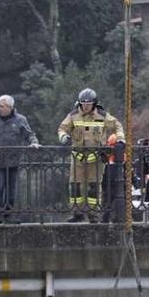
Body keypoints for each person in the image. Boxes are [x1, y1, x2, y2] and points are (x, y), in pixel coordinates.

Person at [57, 88, 125, 223]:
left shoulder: (102, 115)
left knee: (94, 188)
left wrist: (121, 139)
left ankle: (93, 215)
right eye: (83, 104)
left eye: (88, 104)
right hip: (78, 157)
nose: (85, 106)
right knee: (75, 186)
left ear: (94, 103)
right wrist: (64, 137)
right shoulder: (73, 115)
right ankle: (77, 213)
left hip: (96, 158)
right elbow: (62, 128)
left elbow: (118, 125)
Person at [0, 94, 40, 224]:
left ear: (10, 107)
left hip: (14, 160)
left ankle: (9, 215)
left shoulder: (20, 120)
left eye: (2, 106)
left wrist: (34, 142)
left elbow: (30, 134)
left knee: (11, 190)